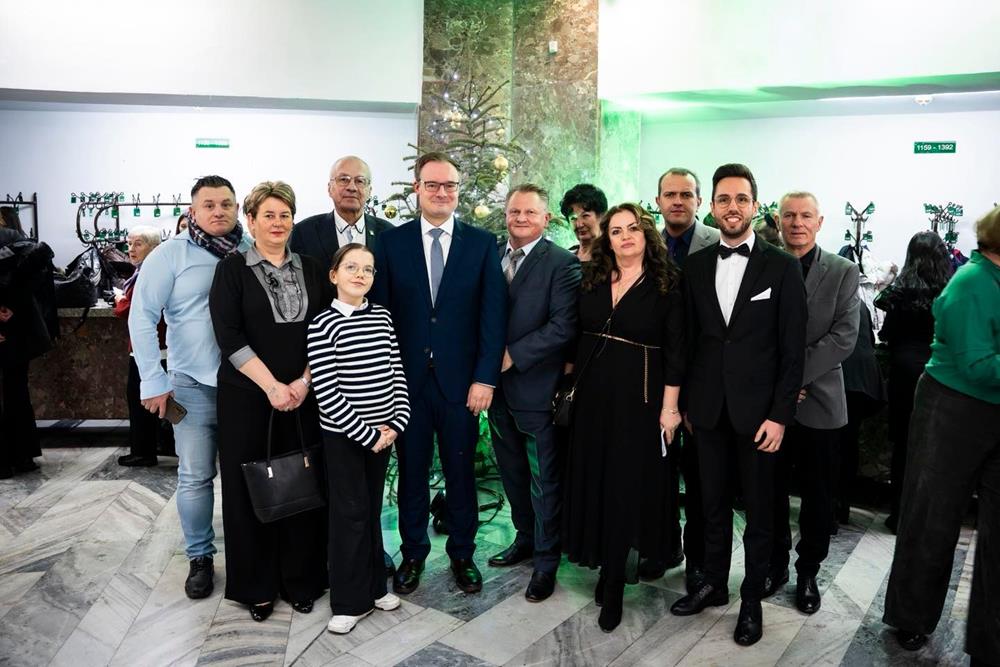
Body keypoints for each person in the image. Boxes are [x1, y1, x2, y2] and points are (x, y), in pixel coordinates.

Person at [669, 164, 807, 647]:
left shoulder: (782, 267)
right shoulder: (695, 267)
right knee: (710, 505)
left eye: (741, 199)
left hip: (760, 416)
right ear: (712, 206)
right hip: (707, 411)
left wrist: (780, 416)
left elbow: (793, 351)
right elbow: (687, 343)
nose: (732, 207)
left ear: (754, 205)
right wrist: (686, 403)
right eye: (724, 199)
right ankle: (712, 583)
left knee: (761, 514)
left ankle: (751, 600)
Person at [371, 151, 507, 596]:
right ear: (417, 189)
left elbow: (492, 316)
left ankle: (463, 554)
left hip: (462, 385)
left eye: (449, 185)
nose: (441, 192)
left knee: (461, 472)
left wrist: (485, 378)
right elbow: (380, 317)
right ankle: (413, 555)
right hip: (405, 384)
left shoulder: (481, 244)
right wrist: (385, 382)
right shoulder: (391, 244)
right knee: (412, 473)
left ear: (458, 191)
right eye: (432, 184)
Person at [883, 206, 1000, 665]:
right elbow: (977, 365)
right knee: (932, 519)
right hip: (953, 407)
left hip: (991, 407)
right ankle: (911, 617)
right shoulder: (971, 283)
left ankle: (990, 640)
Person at [208, 181, 330, 621]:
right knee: (250, 491)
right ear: (251, 220)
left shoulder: (313, 268)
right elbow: (229, 337)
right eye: (268, 216)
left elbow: (326, 330)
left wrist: (303, 383)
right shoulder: (231, 270)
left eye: (285, 215)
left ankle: (302, 580)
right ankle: (257, 586)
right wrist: (272, 387)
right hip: (247, 398)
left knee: (303, 486)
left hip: (304, 396)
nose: (278, 223)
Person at [562, 203, 684, 632]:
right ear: (607, 239)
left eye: (633, 228)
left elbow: (677, 353)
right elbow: (575, 338)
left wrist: (670, 409)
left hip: (641, 403)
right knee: (595, 484)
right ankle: (605, 566)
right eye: (616, 231)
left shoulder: (667, 283)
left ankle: (615, 581)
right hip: (593, 402)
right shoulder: (592, 279)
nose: (625, 236)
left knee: (625, 490)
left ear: (646, 235)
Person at [130, 175, 251, 600]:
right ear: (193, 212)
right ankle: (200, 557)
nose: (218, 211)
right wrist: (153, 379)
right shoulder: (169, 255)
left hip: (247, 386)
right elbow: (142, 317)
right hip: (192, 386)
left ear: (237, 208)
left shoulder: (251, 249)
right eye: (209, 205)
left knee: (247, 476)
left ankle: (250, 555)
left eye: (226, 204)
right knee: (196, 476)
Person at [306, 243, 410, 634]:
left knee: (370, 511)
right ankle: (349, 602)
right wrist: (367, 435)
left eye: (367, 269)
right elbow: (327, 392)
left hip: (383, 436)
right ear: (334, 275)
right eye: (351, 267)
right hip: (347, 438)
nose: (360, 274)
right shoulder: (323, 325)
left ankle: (375, 587)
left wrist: (397, 422)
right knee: (348, 515)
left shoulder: (381, 317)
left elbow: (396, 371)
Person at [487, 184, 580, 603]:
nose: (521, 218)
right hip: (495, 390)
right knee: (511, 471)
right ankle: (524, 537)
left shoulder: (562, 263)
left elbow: (564, 326)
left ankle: (546, 561)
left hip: (537, 388)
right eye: (514, 211)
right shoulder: (491, 256)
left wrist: (513, 355)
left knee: (544, 480)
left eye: (529, 212)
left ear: (546, 218)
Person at [766, 192, 859, 614]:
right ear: (778, 220)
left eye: (806, 216)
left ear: (820, 222)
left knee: (819, 497)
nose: (797, 223)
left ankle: (808, 572)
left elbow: (844, 337)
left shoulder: (842, 271)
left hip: (820, 401)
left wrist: (792, 380)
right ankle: (775, 565)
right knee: (769, 492)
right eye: (789, 215)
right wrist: (781, 387)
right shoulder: (763, 264)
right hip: (771, 406)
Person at [648, 167, 720, 588]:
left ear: (699, 201)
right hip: (652, 380)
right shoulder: (644, 242)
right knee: (656, 473)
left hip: (701, 383)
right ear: (658, 200)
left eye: (686, 194)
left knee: (699, 478)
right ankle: (661, 546)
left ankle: (698, 560)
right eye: (670, 194)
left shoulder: (717, 243)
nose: (678, 201)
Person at [874, 231, 952, 533]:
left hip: (904, 372)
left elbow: (886, 335)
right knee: (933, 447)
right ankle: (925, 518)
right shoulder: (948, 292)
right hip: (936, 373)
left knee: (903, 446)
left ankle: (899, 514)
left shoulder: (901, 291)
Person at [0, 206, 54, 479]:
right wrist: (12, 306)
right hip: (19, 329)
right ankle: (22, 456)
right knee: (17, 392)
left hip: (8, 329)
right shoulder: (21, 242)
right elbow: (35, 283)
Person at [114, 225, 175, 466]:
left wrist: (120, 301)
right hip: (151, 347)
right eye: (129, 244)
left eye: (138, 244)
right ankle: (156, 447)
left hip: (152, 349)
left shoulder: (149, 273)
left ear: (154, 247)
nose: (131, 249)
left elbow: (132, 310)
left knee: (142, 402)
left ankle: (143, 451)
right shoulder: (143, 271)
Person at [290, 155, 395, 269]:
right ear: (329, 188)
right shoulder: (304, 233)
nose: (352, 187)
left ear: (369, 191)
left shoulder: (389, 234)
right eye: (344, 179)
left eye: (360, 181)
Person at [559, 184, 607, 262]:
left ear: (602, 217)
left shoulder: (614, 257)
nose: (579, 224)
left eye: (585, 216)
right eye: (573, 218)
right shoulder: (564, 258)